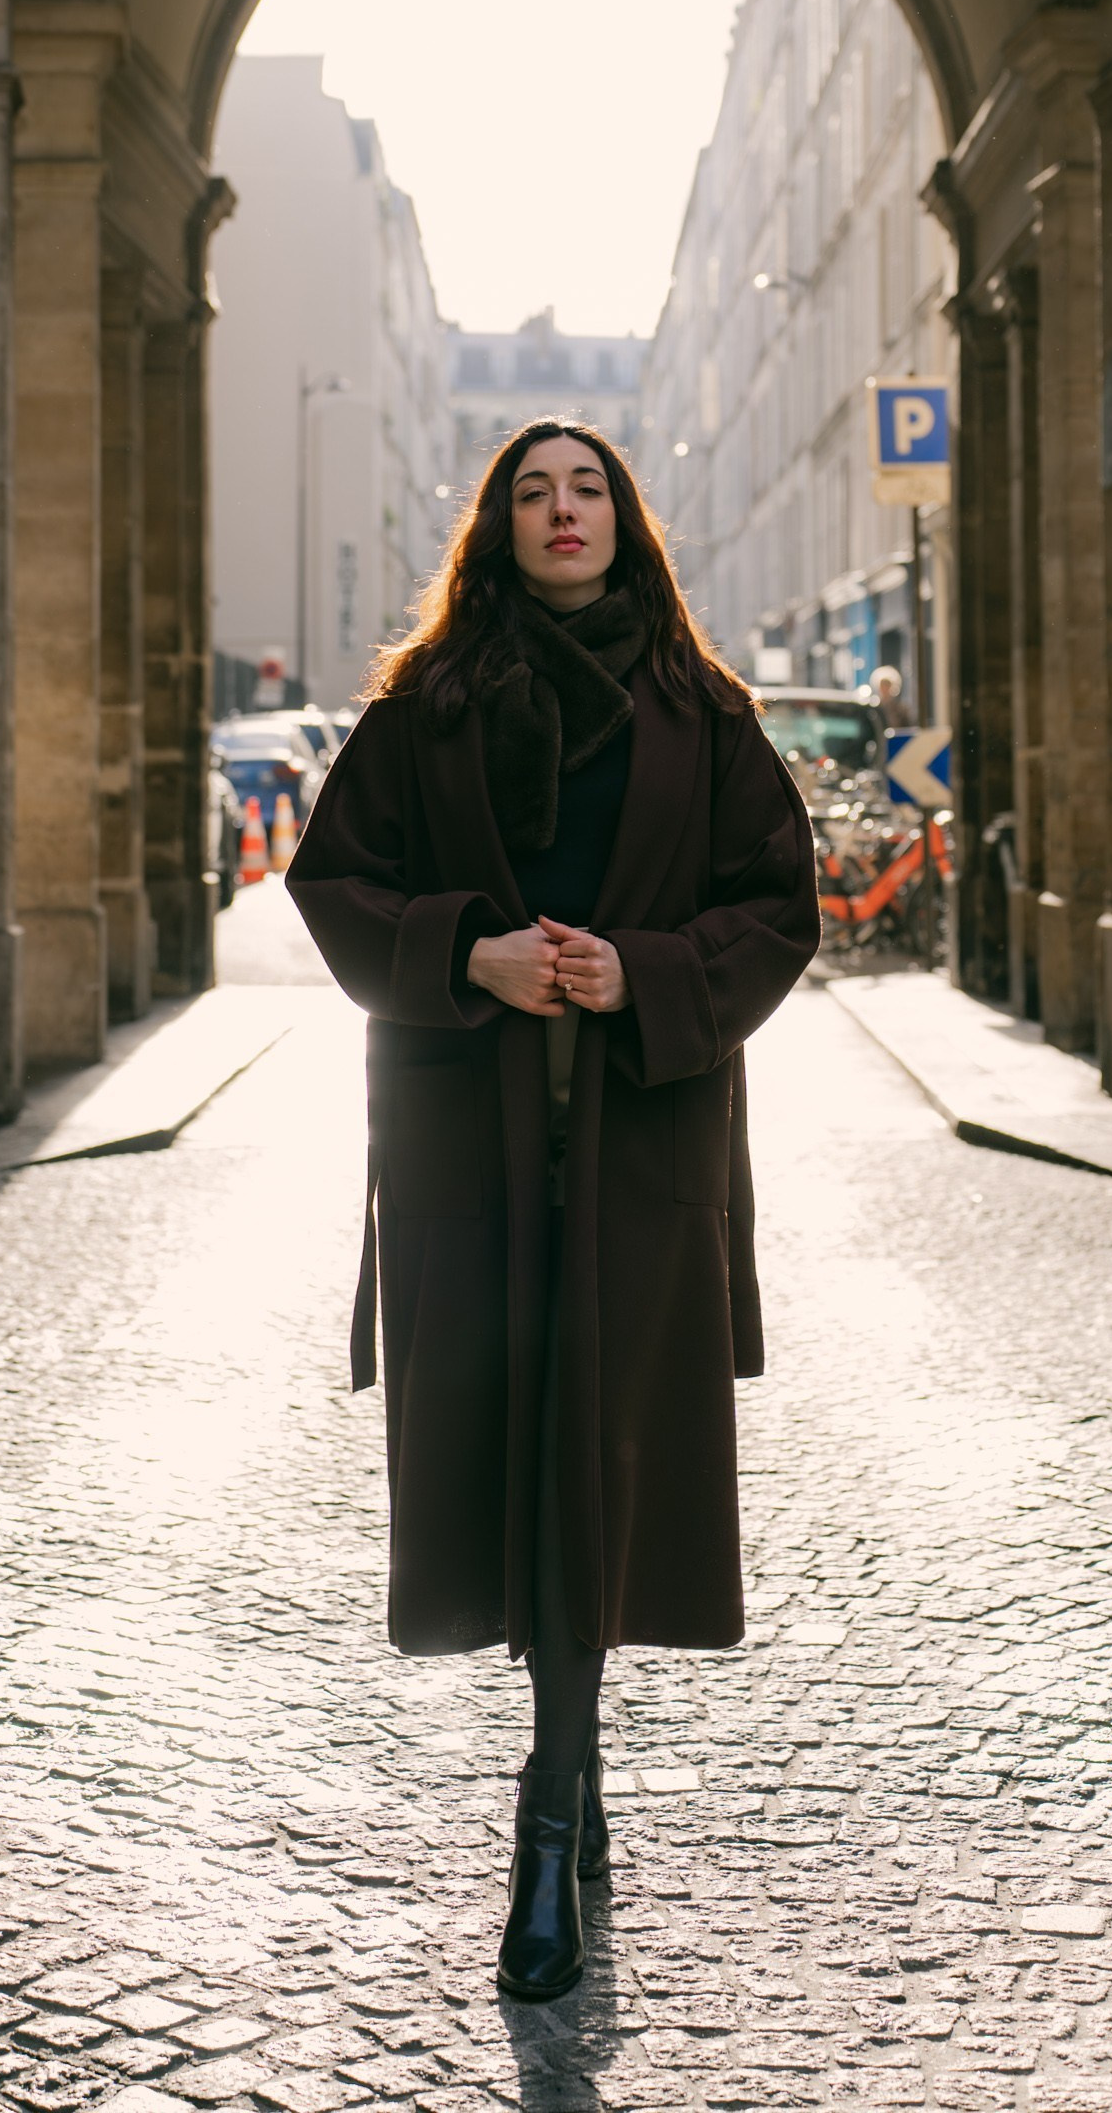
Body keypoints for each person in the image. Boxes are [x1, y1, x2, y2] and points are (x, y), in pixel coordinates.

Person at [287, 420, 821, 2003]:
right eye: (532, 490)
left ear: (624, 517)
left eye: (585, 487)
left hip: (645, 1150)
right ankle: (572, 1780)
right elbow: (334, 886)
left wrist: (639, 972)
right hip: (469, 1153)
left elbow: (776, 907)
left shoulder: (703, 712)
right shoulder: (424, 707)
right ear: (497, 528)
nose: (561, 510)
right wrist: (474, 953)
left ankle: (545, 1812)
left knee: (598, 1460)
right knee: (510, 1451)